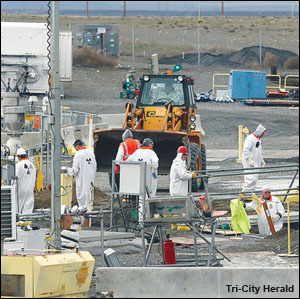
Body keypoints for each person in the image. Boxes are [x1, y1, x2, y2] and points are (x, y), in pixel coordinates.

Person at [127, 138, 159, 222]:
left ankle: (140, 218)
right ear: (149, 144)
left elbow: (128, 161)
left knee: (141, 198)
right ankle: (148, 217)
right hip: (149, 179)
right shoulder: (151, 153)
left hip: (138, 179)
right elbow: (155, 162)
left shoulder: (137, 152)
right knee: (150, 197)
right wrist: (153, 169)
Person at [69, 140, 97, 211]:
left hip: (82, 179)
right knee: (89, 196)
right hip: (90, 178)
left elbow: (75, 170)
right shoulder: (91, 153)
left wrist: (69, 171)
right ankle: (90, 210)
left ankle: (83, 213)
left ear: (77, 146)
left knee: (82, 197)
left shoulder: (78, 154)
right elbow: (95, 166)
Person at [242, 124, 267, 192]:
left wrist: (261, 159)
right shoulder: (250, 139)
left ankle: (251, 194)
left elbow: (258, 150)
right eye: (263, 133)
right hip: (250, 162)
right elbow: (245, 150)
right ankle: (245, 194)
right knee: (250, 178)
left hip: (255, 161)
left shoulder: (258, 139)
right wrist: (249, 159)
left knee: (254, 179)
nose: (264, 134)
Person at [15, 148, 36, 214]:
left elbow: (15, 179)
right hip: (30, 190)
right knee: (28, 209)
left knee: (17, 209)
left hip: (20, 191)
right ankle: (26, 224)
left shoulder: (18, 166)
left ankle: (17, 223)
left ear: (18, 156)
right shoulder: (32, 165)